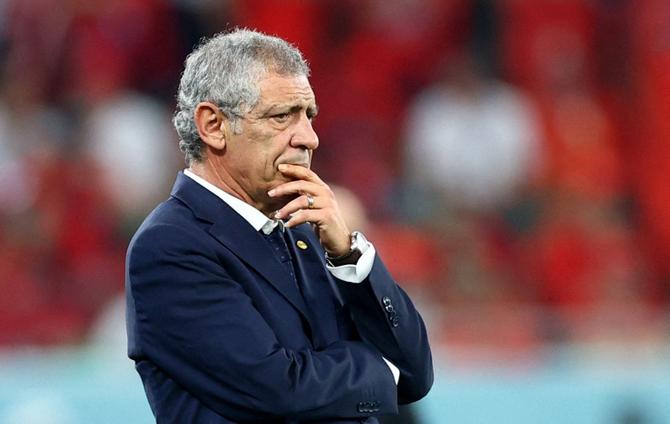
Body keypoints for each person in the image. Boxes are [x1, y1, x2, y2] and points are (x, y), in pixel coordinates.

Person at [125, 29, 433, 423]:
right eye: (282, 116)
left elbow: (416, 372)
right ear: (213, 125)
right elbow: (279, 390)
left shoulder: (308, 230)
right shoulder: (170, 245)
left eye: (309, 115)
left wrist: (348, 254)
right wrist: (383, 372)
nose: (309, 138)